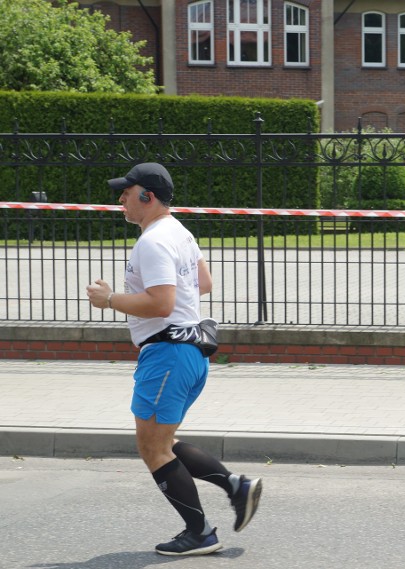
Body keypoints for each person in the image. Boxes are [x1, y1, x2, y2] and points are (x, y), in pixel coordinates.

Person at [86, 162, 263, 555]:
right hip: (189, 354)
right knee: (163, 441)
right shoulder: (179, 231)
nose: (121, 199)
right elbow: (203, 283)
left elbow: (162, 303)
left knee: (153, 448)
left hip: (167, 354)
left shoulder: (152, 241)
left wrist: (109, 299)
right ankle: (236, 487)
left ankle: (199, 533)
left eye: (127, 193)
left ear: (147, 196)